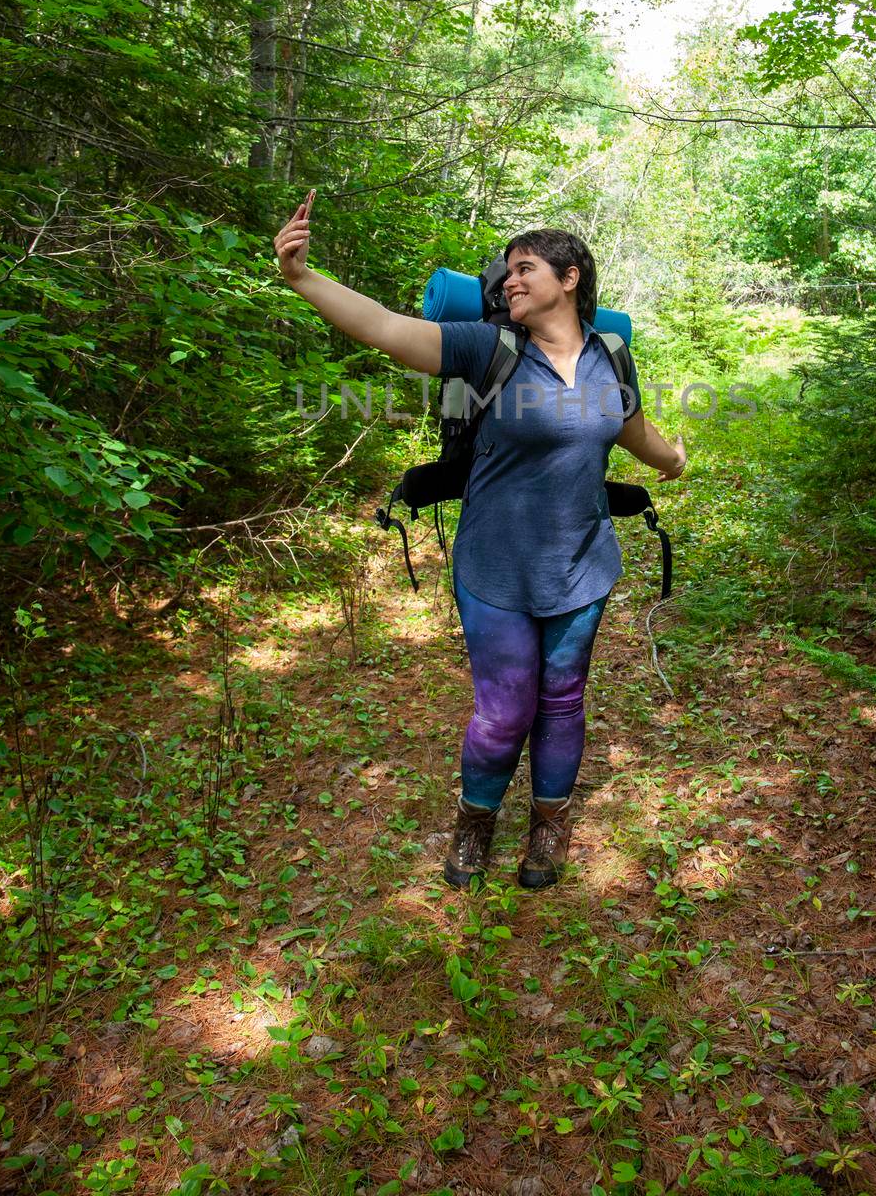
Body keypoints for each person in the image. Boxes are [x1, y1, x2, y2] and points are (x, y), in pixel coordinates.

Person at [274, 190, 686, 891]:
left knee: (561, 700)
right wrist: (304, 278)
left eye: (525, 268)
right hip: (494, 566)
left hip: (581, 567)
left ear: (570, 278)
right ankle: (475, 824)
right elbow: (381, 326)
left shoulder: (611, 356)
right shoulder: (488, 348)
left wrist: (672, 459)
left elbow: (628, 427)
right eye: (506, 273)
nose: (509, 281)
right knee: (502, 712)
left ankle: (549, 826)